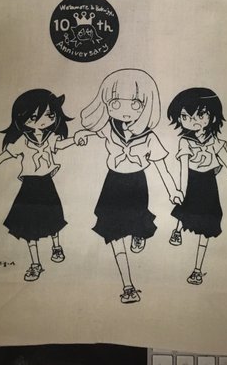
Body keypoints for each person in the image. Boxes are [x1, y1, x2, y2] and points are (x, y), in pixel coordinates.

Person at [80, 68, 183, 304]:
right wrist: (77, 137)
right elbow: (89, 133)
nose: (125, 111)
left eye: (135, 104)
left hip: (137, 183)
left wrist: (173, 190)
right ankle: (128, 286)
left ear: (147, 104)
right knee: (114, 231)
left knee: (136, 221)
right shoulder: (109, 127)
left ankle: (139, 232)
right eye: (115, 103)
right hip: (113, 183)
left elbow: (161, 166)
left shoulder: (149, 137)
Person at [0, 88, 85, 282]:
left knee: (53, 216)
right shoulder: (22, 141)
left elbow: (61, 144)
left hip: (46, 183)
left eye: (49, 115)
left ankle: (56, 246)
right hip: (30, 187)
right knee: (28, 224)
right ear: (22, 118)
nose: (43, 120)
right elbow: (4, 156)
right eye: (34, 117)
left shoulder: (50, 137)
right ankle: (35, 264)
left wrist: (76, 140)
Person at [167, 87, 227, 285]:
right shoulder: (185, 141)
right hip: (191, 180)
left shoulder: (214, 141)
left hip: (209, 183)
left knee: (207, 224)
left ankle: (197, 270)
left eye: (200, 115)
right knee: (185, 209)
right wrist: (180, 190)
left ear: (212, 117)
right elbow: (183, 168)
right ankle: (177, 230)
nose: (193, 121)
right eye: (185, 116)